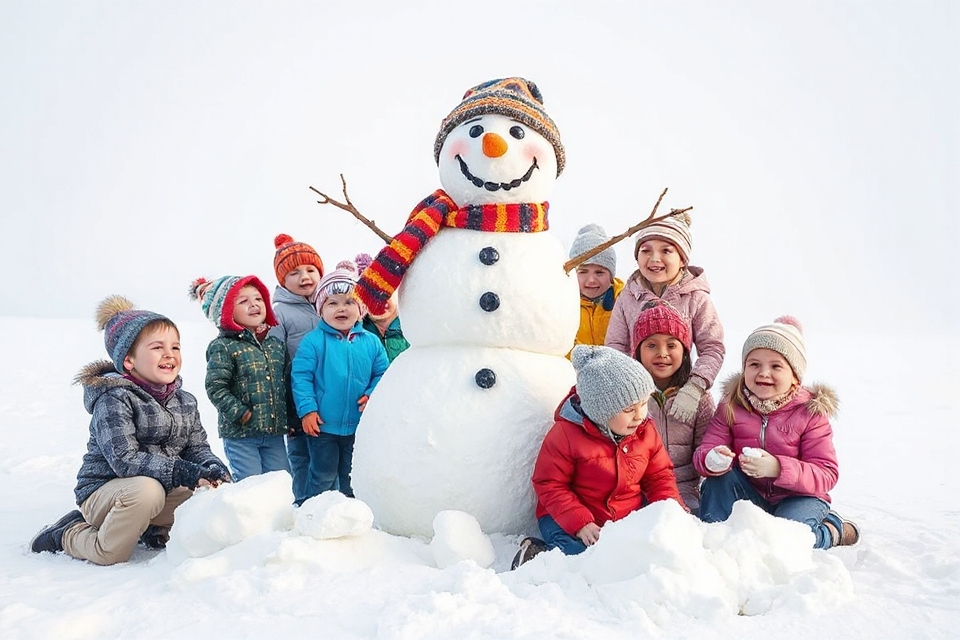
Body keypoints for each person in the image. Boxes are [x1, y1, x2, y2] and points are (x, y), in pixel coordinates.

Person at [30, 296, 230, 565]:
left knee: (203, 494)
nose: (169, 354)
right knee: (139, 506)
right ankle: (67, 533)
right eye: (157, 347)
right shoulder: (113, 398)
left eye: (175, 347)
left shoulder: (185, 401)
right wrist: (182, 471)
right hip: (106, 492)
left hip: (156, 491)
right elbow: (124, 459)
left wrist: (212, 469)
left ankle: (151, 527)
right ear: (128, 361)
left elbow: (197, 448)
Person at [693, 316, 860, 549]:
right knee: (717, 482)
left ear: (795, 376)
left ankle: (832, 531)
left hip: (798, 497)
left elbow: (826, 473)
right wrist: (712, 459)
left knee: (787, 541)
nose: (763, 373)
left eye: (776, 366)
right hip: (750, 493)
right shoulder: (730, 406)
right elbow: (707, 448)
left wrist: (778, 468)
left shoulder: (810, 414)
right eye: (754, 364)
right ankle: (714, 539)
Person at [513, 345, 683, 569]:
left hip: (623, 515)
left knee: (645, 552)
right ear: (601, 411)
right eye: (629, 409)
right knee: (581, 557)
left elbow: (659, 476)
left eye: (644, 404)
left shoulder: (645, 430)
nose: (639, 415)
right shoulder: (566, 435)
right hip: (566, 518)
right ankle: (537, 556)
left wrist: (671, 511)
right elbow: (549, 483)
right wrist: (580, 522)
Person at [604, 211, 724, 425]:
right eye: (646, 250)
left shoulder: (696, 298)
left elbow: (712, 347)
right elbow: (615, 346)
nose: (654, 259)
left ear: (682, 259)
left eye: (666, 250)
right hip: (638, 401)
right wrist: (628, 389)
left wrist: (695, 387)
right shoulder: (628, 297)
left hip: (681, 397)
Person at [291, 261, 389, 501]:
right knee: (323, 475)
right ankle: (313, 511)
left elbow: (383, 373)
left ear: (361, 309)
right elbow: (301, 377)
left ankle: (351, 514)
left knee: (351, 477)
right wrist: (307, 410)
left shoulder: (371, 342)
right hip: (323, 426)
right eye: (332, 303)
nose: (341, 308)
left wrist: (373, 393)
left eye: (349, 302)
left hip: (359, 425)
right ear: (321, 310)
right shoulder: (313, 342)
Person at [189, 275, 290, 482]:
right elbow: (216, 387)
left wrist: (292, 417)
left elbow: (286, 382)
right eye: (243, 301)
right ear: (226, 312)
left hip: (274, 432)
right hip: (241, 435)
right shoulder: (223, 346)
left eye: (259, 299)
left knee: (281, 481)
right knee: (249, 483)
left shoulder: (275, 345)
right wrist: (239, 413)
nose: (254, 304)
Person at [633, 300, 713, 515]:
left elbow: (705, 445)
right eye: (651, 345)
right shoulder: (629, 396)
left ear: (684, 351)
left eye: (671, 345)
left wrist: (713, 458)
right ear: (637, 351)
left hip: (683, 487)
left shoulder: (699, 399)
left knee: (682, 521)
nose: (662, 353)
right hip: (636, 488)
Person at [268, 233, 325, 505]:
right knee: (301, 453)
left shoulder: (329, 304)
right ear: (282, 280)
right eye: (294, 272)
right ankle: (302, 502)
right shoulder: (279, 313)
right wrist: (289, 411)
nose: (305, 277)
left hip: (328, 395)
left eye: (310, 269)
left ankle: (333, 501)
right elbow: (276, 364)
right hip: (297, 397)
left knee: (328, 453)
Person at [568, 224, 624, 348]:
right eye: (583, 272)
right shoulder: (564, 304)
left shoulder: (624, 302)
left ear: (611, 276)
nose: (591, 280)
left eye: (599, 272)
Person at [355, 252, 409, 363]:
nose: (380, 300)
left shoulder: (409, 326)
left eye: (386, 293)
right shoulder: (359, 332)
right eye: (371, 296)